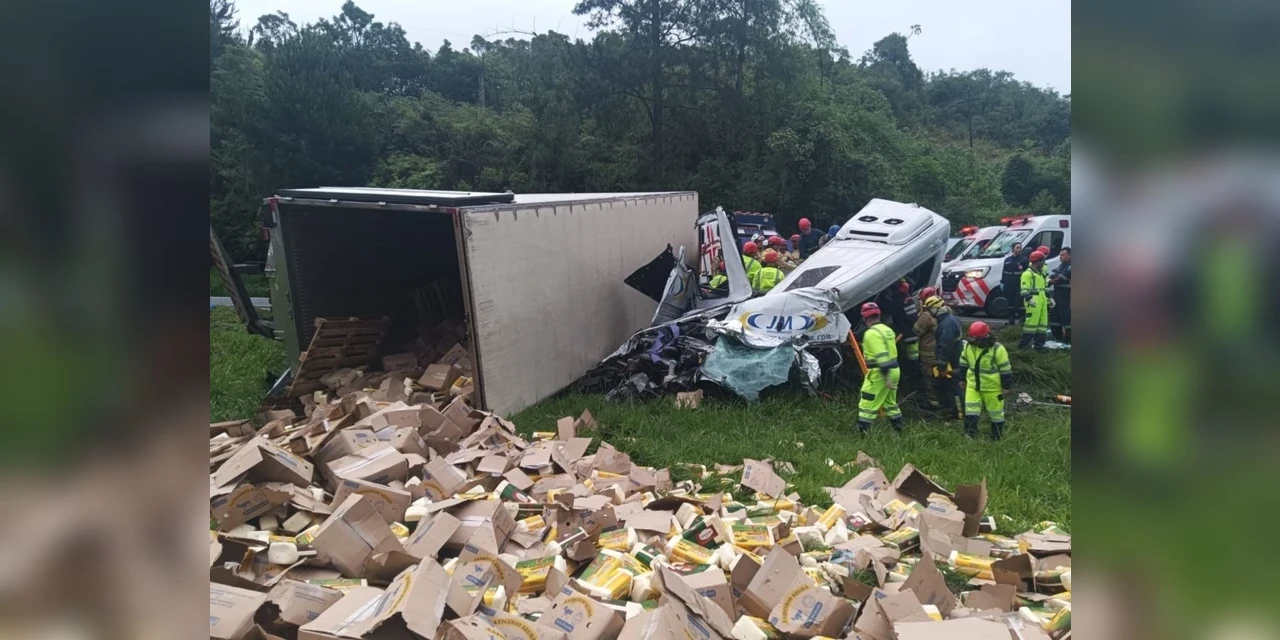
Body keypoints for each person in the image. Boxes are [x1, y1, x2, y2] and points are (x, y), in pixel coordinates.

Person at [956, 321, 1013, 440]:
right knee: (971, 411)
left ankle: (996, 436)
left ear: (984, 338)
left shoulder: (997, 349)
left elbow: (1005, 369)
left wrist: (1006, 387)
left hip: (993, 388)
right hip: (973, 386)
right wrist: (961, 379)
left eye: (976, 340)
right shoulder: (969, 346)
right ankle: (969, 434)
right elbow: (963, 363)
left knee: (996, 413)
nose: (973, 342)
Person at [854, 302, 905, 433]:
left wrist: (885, 375)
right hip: (895, 369)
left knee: (867, 402)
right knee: (890, 403)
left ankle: (863, 433)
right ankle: (899, 431)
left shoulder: (871, 334)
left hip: (880, 372)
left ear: (864, 318)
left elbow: (881, 356)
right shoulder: (887, 329)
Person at [933, 296, 964, 419]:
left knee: (954, 387)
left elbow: (946, 346)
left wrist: (941, 365)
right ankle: (952, 409)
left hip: (952, 362)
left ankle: (960, 414)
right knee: (947, 386)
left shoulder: (946, 324)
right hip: (953, 360)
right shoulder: (949, 319)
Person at [914, 295, 942, 412]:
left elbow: (916, 331)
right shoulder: (947, 314)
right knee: (940, 378)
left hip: (928, 355)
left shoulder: (926, 317)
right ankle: (942, 402)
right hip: (940, 353)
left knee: (929, 379)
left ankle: (933, 405)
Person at [1019, 250, 1050, 350]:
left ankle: (1039, 346)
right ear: (1037, 261)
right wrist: (1029, 299)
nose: (1044, 264)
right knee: (1031, 324)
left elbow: (1044, 287)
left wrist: (1049, 298)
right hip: (1033, 302)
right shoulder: (1027, 274)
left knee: (1042, 324)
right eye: (1043, 261)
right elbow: (1024, 289)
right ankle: (1024, 346)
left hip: (1042, 301)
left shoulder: (1041, 274)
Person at [1002, 242, 1028, 325]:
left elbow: (1026, 272)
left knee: (1019, 301)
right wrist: (1002, 282)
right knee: (1010, 302)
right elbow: (1004, 271)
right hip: (1008, 282)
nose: (1019, 249)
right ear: (1013, 249)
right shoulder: (1007, 260)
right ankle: (1011, 319)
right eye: (1017, 247)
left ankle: (1021, 319)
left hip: (1018, 282)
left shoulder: (1024, 260)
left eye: (1020, 247)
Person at [1049, 247, 1071, 343]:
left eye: (1063, 255)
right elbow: (1053, 274)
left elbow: (1060, 278)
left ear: (1069, 255)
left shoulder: (1070, 266)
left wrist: (1051, 281)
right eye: (1060, 255)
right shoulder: (1061, 266)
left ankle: (1069, 338)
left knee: (1066, 316)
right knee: (1054, 315)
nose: (1060, 257)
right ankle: (1057, 337)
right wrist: (1051, 279)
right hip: (1058, 294)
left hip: (1067, 295)